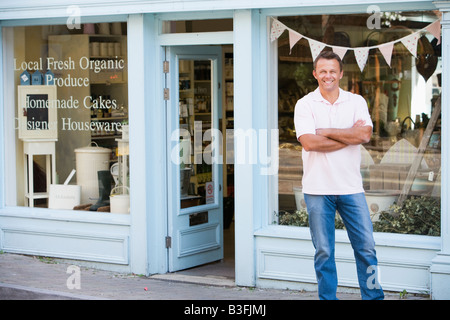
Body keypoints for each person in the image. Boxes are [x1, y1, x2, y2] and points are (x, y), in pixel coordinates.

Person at [293, 50, 384, 300]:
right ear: (315, 74)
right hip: (317, 189)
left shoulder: (356, 102)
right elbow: (310, 143)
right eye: (322, 71)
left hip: (351, 188)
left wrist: (329, 131)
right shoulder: (305, 104)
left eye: (333, 71)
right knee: (323, 252)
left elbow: (364, 136)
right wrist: (348, 136)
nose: (328, 75)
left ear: (341, 74)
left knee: (366, 247)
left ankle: (374, 297)